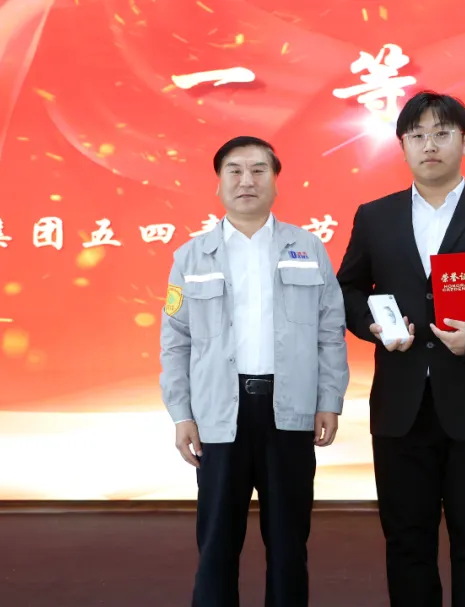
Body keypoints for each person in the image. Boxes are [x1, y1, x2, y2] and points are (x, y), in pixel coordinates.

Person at [336, 91, 465, 606]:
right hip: (400, 407)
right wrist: (374, 327)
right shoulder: (375, 217)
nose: (429, 145)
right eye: (418, 135)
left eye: (442, 133)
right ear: (403, 146)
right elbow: (347, 289)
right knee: (407, 542)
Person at [160, 135, 349, 607]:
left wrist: (329, 401)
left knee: (288, 543)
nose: (247, 180)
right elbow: (175, 341)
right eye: (235, 170)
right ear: (219, 183)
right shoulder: (191, 257)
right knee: (217, 541)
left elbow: (330, 332)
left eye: (259, 170)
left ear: (275, 181)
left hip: (289, 410)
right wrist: (182, 414)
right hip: (218, 414)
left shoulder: (308, 248)